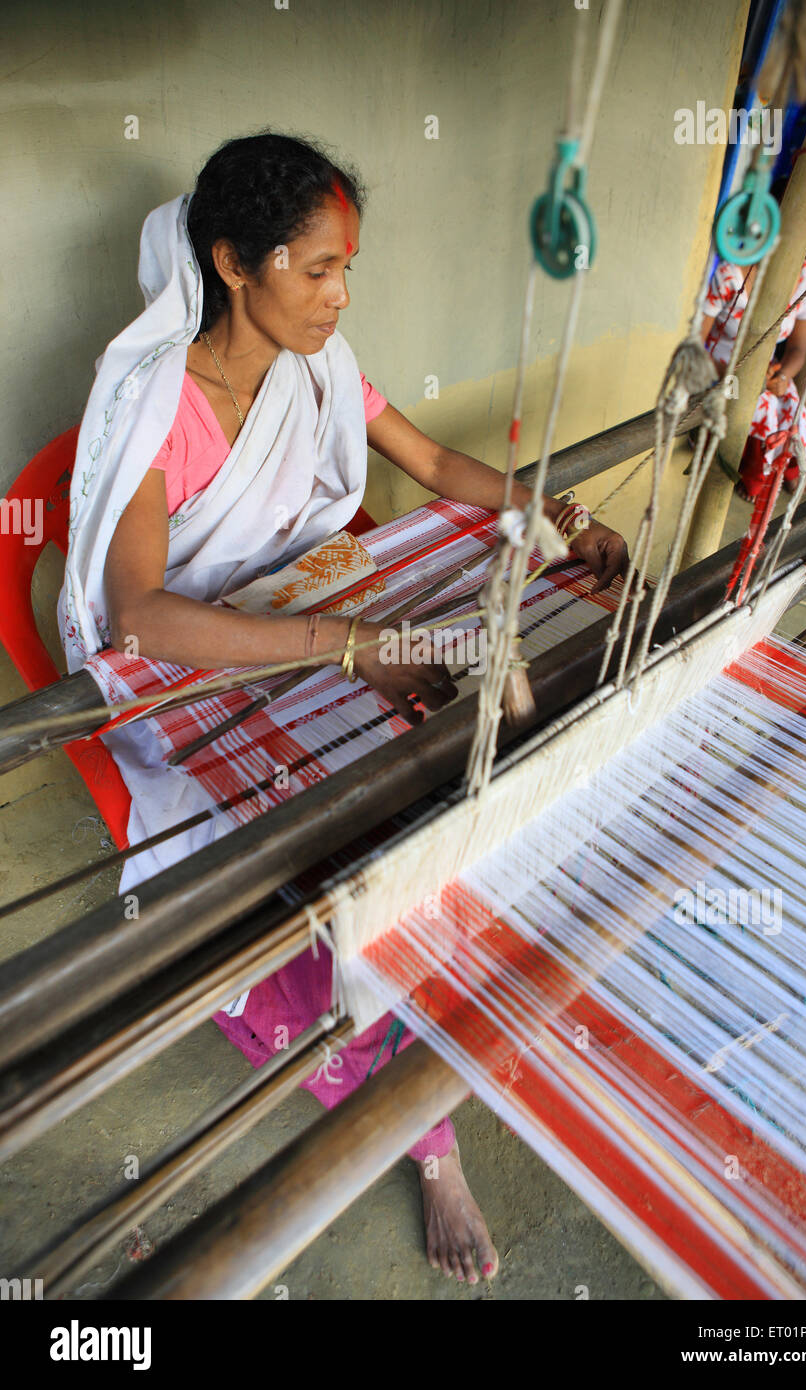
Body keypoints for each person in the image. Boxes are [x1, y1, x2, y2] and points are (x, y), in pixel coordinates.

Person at [59, 132, 628, 1287]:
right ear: (232, 262)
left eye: (345, 266)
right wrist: (352, 646)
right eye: (315, 268)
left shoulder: (316, 362)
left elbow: (421, 457)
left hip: (305, 611)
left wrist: (551, 511)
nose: (338, 294)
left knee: (456, 770)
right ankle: (422, 1132)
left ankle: (439, 990)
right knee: (330, 867)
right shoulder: (153, 403)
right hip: (189, 664)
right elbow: (142, 619)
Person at [699, 257, 806, 499]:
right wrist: (740, 377)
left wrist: (783, 376)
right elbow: (697, 342)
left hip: (766, 366)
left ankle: (786, 469)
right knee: (759, 406)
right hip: (716, 364)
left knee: (793, 408)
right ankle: (749, 474)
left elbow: (798, 349)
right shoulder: (729, 274)